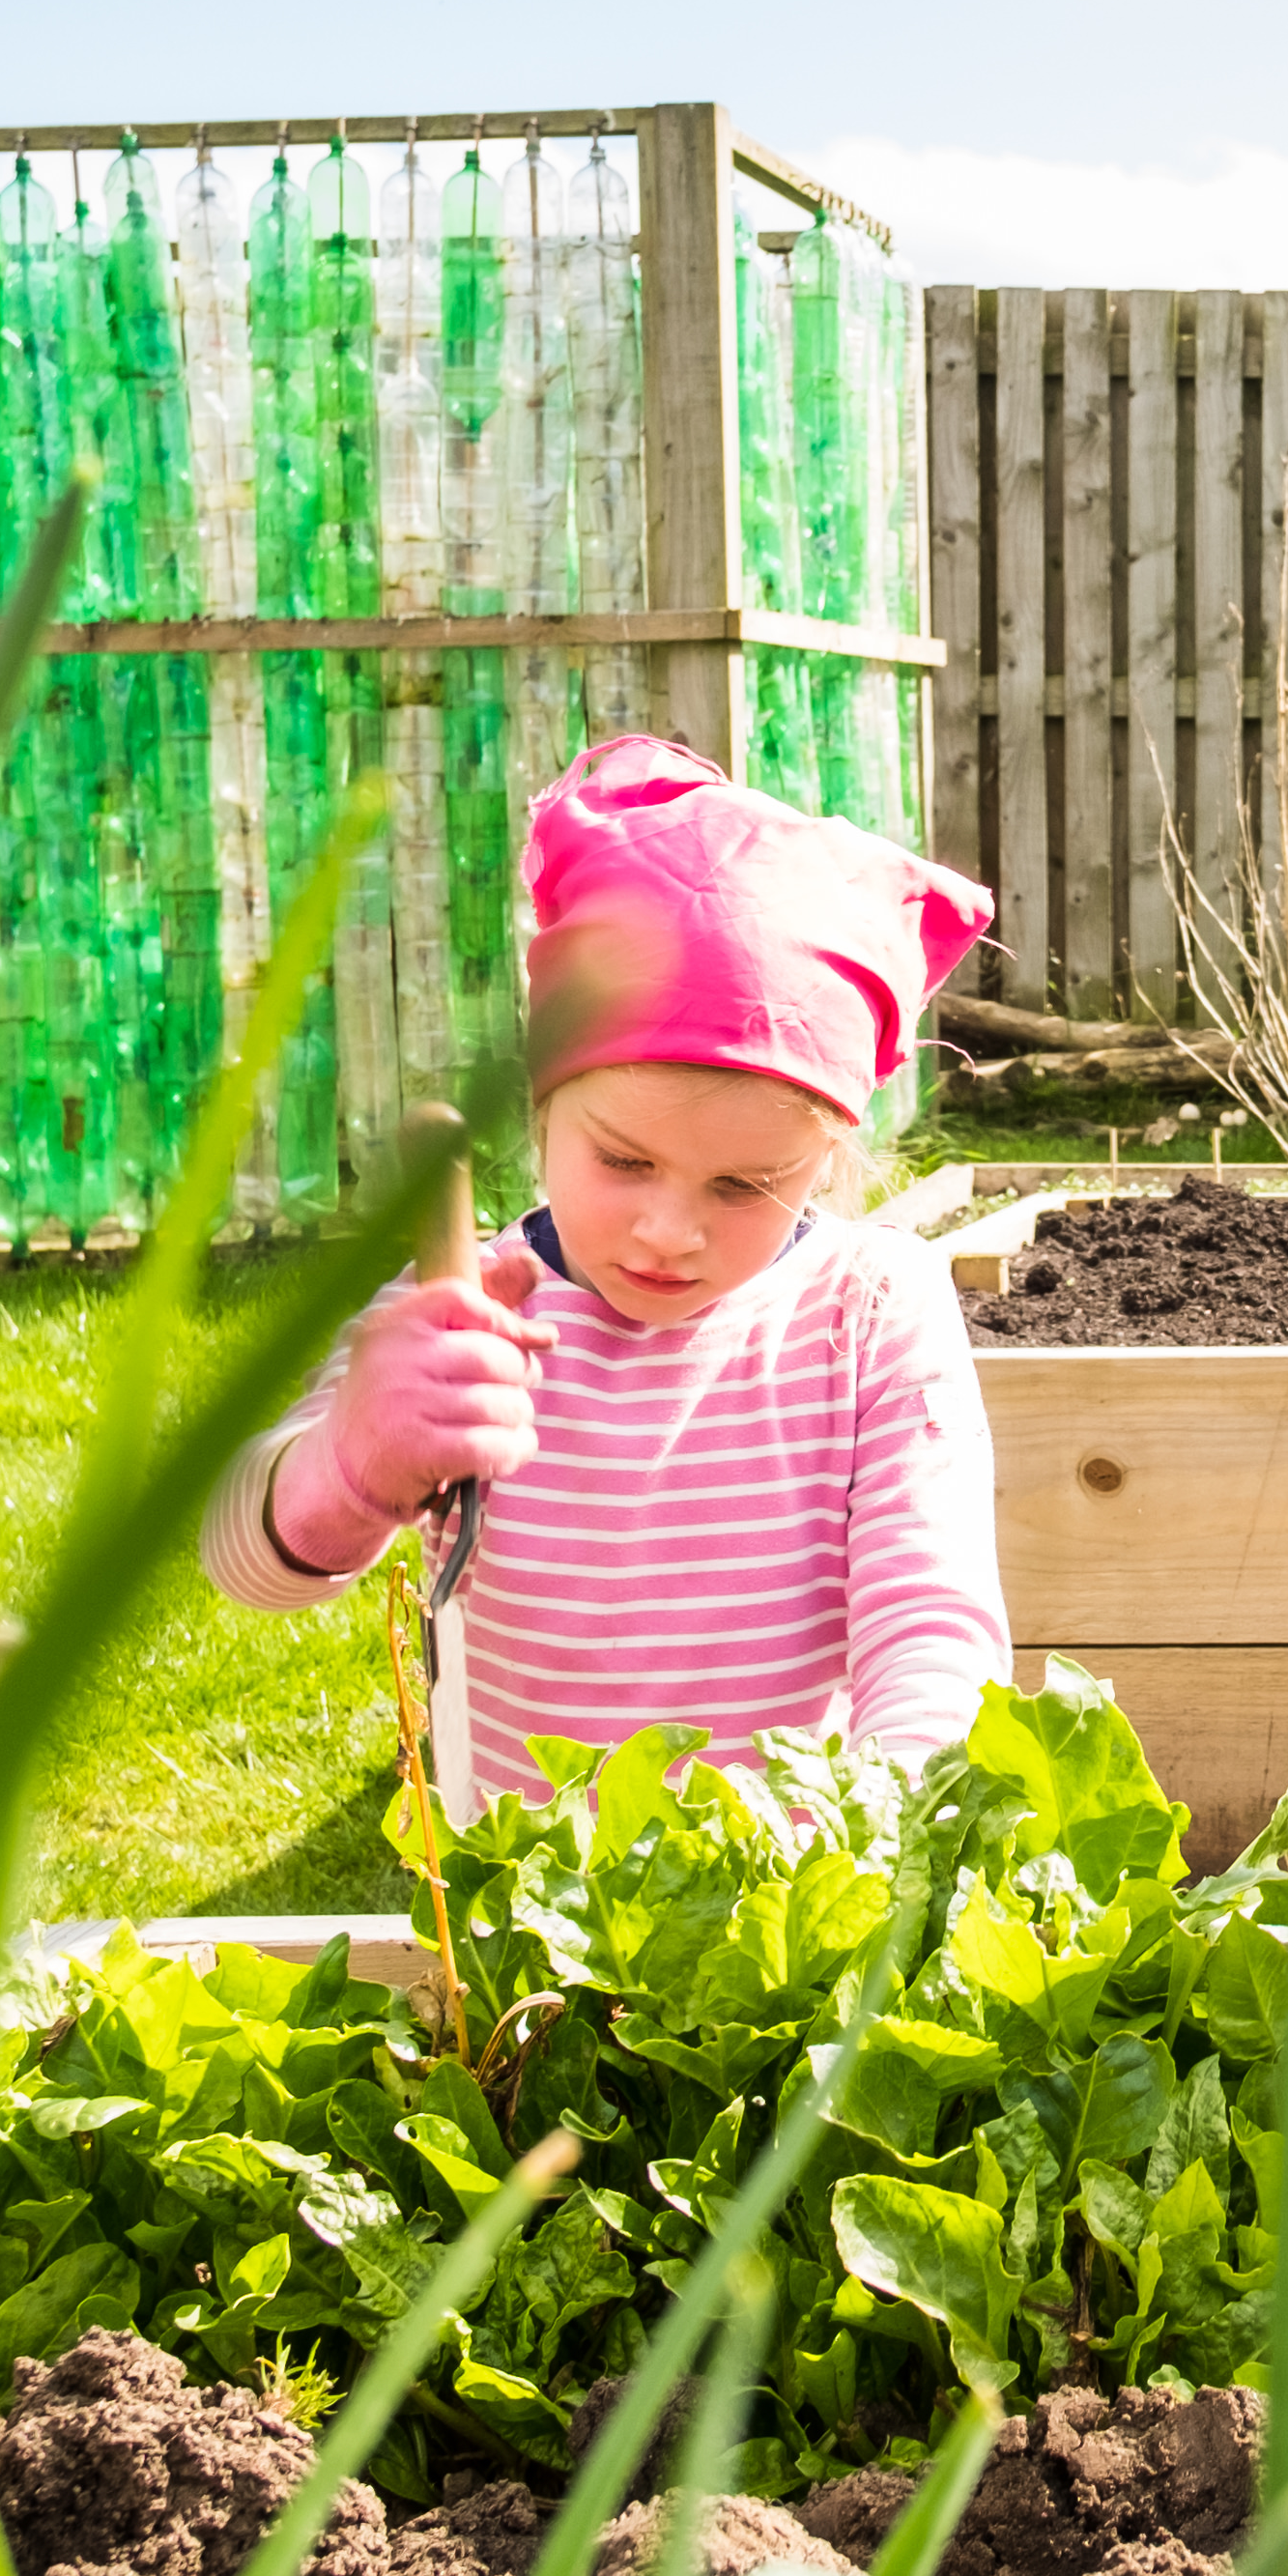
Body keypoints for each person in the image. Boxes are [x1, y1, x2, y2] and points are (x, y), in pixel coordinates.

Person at [204, 737, 1008, 1805]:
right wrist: (350, 1464)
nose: (670, 1232)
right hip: (534, 1928)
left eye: (746, 1187)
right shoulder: (468, 1317)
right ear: (543, 1108)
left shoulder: (866, 1313)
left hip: (805, 1904)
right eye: (624, 1162)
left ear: (827, 1156)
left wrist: (884, 1835)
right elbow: (244, 1563)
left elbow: (932, 1622)